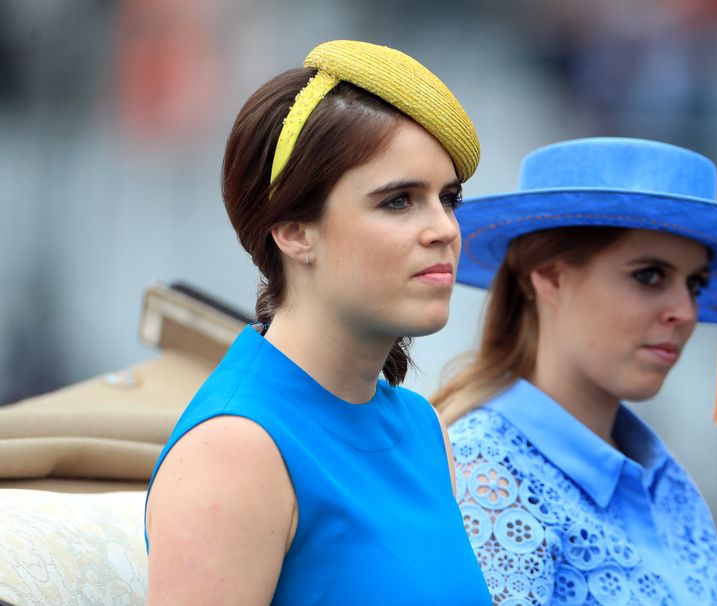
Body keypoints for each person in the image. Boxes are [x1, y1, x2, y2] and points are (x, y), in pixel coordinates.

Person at [432, 137, 717, 605]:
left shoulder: (664, 480)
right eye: (649, 275)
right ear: (550, 276)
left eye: (695, 284)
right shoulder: (486, 475)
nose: (685, 312)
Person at [144, 40, 490, 605]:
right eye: (399, 201)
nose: (445, 229)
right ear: (293, 232)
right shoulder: (234, 450)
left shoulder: (423, 428)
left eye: (447, 199)